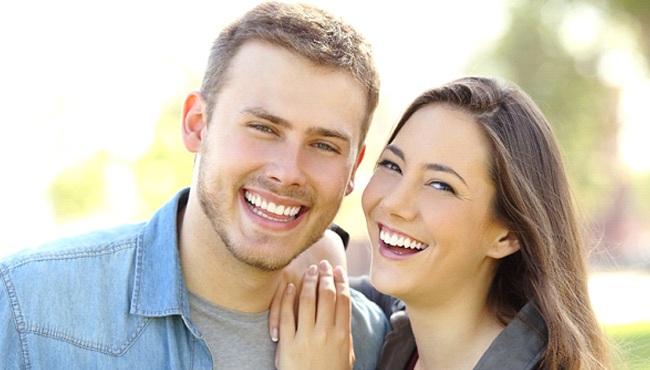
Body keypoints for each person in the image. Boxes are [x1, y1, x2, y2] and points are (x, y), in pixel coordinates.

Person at [0, 2, 389, 369]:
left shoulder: (372, 343)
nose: (288, 172)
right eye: (263, 128)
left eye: (324, 145)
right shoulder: (30, 307)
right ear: (197, 124)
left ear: (353, 167)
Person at [273, 76, 612, 369]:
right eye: (392, 165)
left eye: (440, 185)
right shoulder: (398, 330)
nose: (393, 203)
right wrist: (326, 249)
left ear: (507, 235)